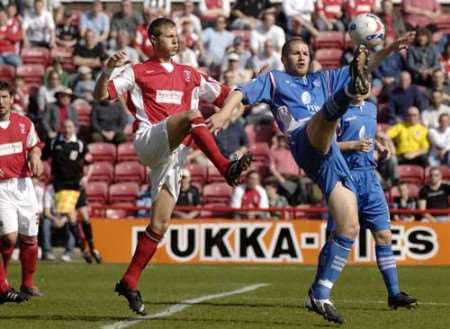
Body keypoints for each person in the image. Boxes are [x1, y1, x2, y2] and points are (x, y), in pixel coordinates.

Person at [208, 33, 415, 323]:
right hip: (304, 140)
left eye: (306, 52)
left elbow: (366, 68)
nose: (302, 57)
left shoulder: (323, 79)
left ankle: (319, 293)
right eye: (295, 53)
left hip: (330, 156)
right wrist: (222, 116)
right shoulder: (275, 80)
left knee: (349, 228)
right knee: (323, 119)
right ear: (284, 58)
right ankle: (344, 97)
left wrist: (391, 47)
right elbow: (240, 92)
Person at [94, 17, 252, 316]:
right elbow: (102, 95)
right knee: (191, 114)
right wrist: (106, 71)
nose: (175, 40)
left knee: (160, 224)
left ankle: (129, 281)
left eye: (176, 35)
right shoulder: (138, 71)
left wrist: (250, 87)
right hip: (149, 139)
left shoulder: (191, 74)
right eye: (167, 36)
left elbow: (231, 97)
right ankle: (223, 166)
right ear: (152, 41)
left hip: (174, 155)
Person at [327, 89, 417, 309]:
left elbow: (368, 135)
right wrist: (352, 146)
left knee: (384, 235)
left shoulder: (371, 108)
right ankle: (320, 291)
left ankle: (394, 294)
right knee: (338, 238)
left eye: (364, 83)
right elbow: (323, 145)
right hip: (345, 178)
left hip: (370, 177)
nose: (361, 87)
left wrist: (379, 148)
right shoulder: (336, 111)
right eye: (357, 82)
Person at [0, 80, 43, 303]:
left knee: (30, 237)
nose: (1, 102)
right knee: (8, 238)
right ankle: (3, 281)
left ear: (11, 99)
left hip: (24, 186)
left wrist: (35, 157)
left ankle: (27, 284)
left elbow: (34, 145)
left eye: (4, 97)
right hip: (1, 189)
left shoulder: (24, 123)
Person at [42, 119, 102, 264]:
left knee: (85, 217)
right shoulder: (54, 143)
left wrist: (86, 177)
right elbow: (42, 157)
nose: (67, 129)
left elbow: (90, 163)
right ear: (61, 128)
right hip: (61, 186)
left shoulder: (80, 144)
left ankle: (93, 248)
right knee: (71, 218)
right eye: (65, 126)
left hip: (77, 184)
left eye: (70, 127)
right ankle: (83, 250)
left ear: (74, 128)